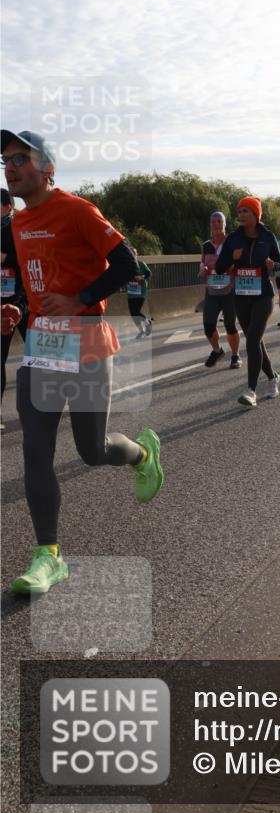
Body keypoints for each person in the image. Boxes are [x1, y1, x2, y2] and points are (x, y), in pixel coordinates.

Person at [1, 128, 163, 595]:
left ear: (47, 167)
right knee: (35, 448)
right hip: (41, 351)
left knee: (91, 450)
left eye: (20, 159)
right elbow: (21, 280)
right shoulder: (12, 225)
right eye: (5, 161)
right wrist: (14, 308)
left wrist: (80, 298)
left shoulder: (77, 211)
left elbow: (130, 265)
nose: (10, 167)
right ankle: (48, 556)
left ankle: (142, 453)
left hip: (88, 343)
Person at [216, 196, 280, 407]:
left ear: (256, 214)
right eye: (240, 211)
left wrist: (273, 265)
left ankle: (251, 390)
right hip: (241, 295)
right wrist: (232, 258)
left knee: (252, 340)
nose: (241, 215)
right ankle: (272, 378)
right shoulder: (233, 239)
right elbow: (219, 268)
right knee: (256, 342)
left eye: (246, 211)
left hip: (263, 294)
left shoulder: (268, 236)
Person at [199, 211, 241, 369]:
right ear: (210, 224)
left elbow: (239, 260)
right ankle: (217, 350)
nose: (216, 224)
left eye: (219, 221)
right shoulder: (206, 245)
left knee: (230, 325)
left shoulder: (231, 243)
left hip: (229, 289)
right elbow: (203, 262)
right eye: (213, 221)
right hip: (212, 290)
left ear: (224, 224)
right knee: (208, 325)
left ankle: (235, 355)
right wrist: (202, 269)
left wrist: (230, 268)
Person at [1, 187, 27, 420]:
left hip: (23, 300)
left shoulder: (19, 227)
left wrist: (5, 258)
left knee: (41, 355)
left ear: (7, 207)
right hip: (1, 305)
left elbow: (32, 257)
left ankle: (59, 397)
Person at [126, 248, 153, 338]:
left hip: (141, 292)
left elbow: (149, 273)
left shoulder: (141, 264)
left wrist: (142, 277)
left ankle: (147, 323)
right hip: (131, 293)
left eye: (134, 254)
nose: (132, 256)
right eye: (130, 254)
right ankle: (141, 331)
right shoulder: (127, 266)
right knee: (133, 314)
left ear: (136, 255)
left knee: (136, 311)